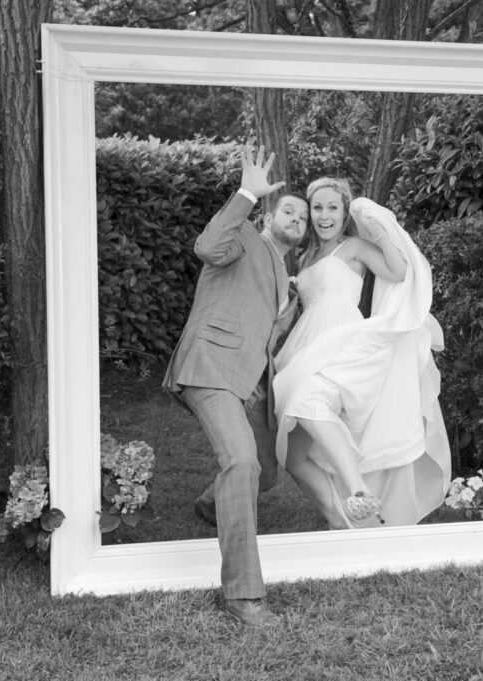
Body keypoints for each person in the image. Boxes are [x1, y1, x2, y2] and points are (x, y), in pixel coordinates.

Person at [162, 142, 307, 627]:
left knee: (265, 472)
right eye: (289, 209)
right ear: (268, 215)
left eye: (304, 218)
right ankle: (243, 596)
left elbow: (266, 331)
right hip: (212, 366)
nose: (298, 218)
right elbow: (206, 246)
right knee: (241, 461)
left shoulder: (285, 272)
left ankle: (210, 507)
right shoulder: (242, 235)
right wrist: (247, 191)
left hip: (251, 380)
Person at [273, 177, 451, 530]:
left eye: (333, 208)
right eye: (318, 209)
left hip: (342, 340)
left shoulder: (352, 247)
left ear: (343, 213)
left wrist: (376, 223)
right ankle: (344, 524)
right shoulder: (307, 255)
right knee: (294, 458)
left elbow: (399, 271)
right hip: (309, 342)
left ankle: (357, 488)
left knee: (309, 400)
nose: (324, 216)